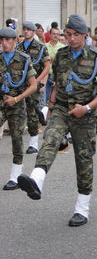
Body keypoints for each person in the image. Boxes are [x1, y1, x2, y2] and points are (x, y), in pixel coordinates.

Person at [17, 15, 97, 227]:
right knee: (49, 140)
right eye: (67, 34)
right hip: (62, 108)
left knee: (84, 160)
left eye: (75, 35)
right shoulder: (61, 55)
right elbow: (58, 84)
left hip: (85, 114)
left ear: (84, 35)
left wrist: (86, 108)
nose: (70, 38)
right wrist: (50, 109)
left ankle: (82, 209)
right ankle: (36, 180)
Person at [0, 27, 37, 190]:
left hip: (16, 103)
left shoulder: (23, 58)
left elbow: (33, 85)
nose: (4, 43)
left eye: (8, 40)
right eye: (2, 40)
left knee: (16, 139)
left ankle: (15, 177)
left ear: (15, 41)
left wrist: (16, 99)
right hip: (1, 102)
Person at [16, 21, 51, 154]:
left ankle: (33, 143)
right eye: (24, 29)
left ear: (33, 31)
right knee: (18, 111)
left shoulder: (40, 47)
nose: (26, 32)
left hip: (34, 83)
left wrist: (37, 80)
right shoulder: (18, 47)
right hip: (19, 84)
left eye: (29, 30)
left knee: (31, 111)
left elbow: (47, 66)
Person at [45, 27, 65, 102]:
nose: (56, 36)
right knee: (45, 99)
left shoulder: (63, 47)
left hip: (57, 77)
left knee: (55, 100)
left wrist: (50, 58)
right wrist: (51, 58)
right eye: (54, 34)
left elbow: (61, 61)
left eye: (57, 34)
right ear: (49, 35)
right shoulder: (44, 46)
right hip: (46, 77)